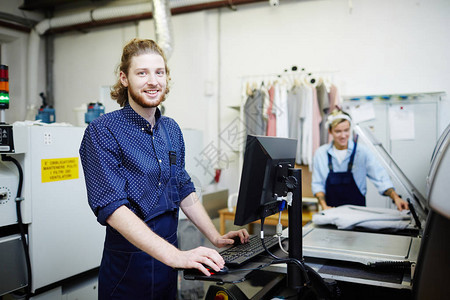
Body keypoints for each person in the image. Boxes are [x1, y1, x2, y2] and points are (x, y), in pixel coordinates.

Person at [79, 38, 249, 300]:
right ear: (124, 78)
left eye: (159, 72)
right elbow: (112, 208)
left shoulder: (171, 129)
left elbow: (182, 188)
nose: (153, 81)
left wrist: (215, 237)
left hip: (169, 262)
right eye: (142, 73)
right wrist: (175, 256)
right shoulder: (103, 130)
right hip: (129, 265)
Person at [311, 109, 409, 211]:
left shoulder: (362, 152)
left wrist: (396, 197)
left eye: (346, 130)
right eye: (338, 131)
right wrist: (323, 205)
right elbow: (318, 184)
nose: (343, 136)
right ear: (330, 131)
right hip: (331, 210)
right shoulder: (320, 154)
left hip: (358, 212)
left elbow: (380, 178)